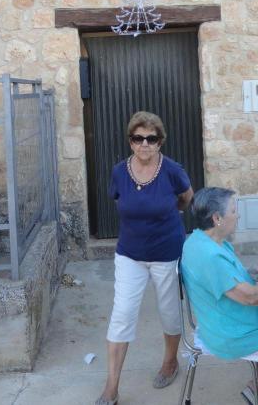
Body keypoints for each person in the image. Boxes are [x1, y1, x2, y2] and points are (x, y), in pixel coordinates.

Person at [96, 111, 194, 405]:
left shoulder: (172, 170)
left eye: (151, 138)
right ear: (130, 141)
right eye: (138, 138)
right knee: (122, 314)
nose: (144, 144)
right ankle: (112, 386)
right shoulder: (119, 172)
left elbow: (187, 197)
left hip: (167, 252)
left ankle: (170, 362)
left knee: (169, 312)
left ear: (160, 141)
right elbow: (120, 200)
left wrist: (166, 212)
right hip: (130, 254)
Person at [181, 187, 258, 405]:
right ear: (217, 218)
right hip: (238, 334)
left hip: (246, 320)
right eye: (233, 210)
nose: (237, 215)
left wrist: (247, 274)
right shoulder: (209, 255)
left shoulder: (201, 241)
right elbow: (251, 297)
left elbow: (222, 280)